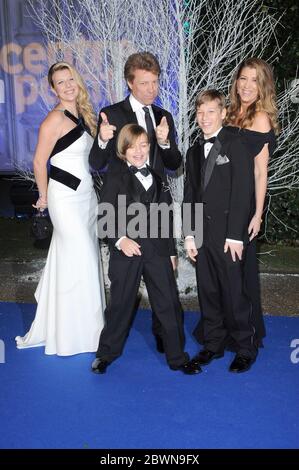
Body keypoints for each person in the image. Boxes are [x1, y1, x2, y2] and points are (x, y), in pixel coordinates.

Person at [89, 51, 183, 354]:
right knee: (123, 296)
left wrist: (165, 142)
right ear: (130, 83)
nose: (151, 89)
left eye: (155, 82)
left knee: (164, 290)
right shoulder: (112, 114)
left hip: (156, 210)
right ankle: (108, 352)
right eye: (144, 83)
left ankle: (166, 341)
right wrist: (102, 139)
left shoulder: (163, 115)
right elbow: (96, 162)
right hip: (124, 216)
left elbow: (174, 163)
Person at [91, 123, 200, 375]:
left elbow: (166, 218)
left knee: (169, 305)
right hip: (126, 253)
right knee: (119, 306)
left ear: (149, 147)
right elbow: (103, 217)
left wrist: (172, 252)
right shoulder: (114, 176)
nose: (138, 152)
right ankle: (105, 354)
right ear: (123, 151)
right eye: (132, 147)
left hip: (158, 252)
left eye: (143, 145)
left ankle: (178, 358)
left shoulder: (159, 179)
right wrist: (121, 240)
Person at [15, 62, 105, 355]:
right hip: (64, 199)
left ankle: (83, 329)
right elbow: (40, 162)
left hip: (87, 198)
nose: (67, 86)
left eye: (70, 80)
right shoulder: (53, 120)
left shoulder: (84, 114)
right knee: (83, 258)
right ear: (53, 89)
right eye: (60, 82)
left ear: (77, 81)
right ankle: (79, 335)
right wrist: (42, 196)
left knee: (78, 260)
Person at [184, 90, 256, 373]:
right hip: (202, 234)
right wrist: (190, 234)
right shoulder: (193, 152)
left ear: (223, 113)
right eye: (200, 113)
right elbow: (190, 194)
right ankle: (212, 344)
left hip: (229, 235)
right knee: (209, 292)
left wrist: (236, 235)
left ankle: (245, 348)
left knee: (234, 293)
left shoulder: (237, 145)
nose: (204, 118)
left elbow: (242, 193)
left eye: (211, 112)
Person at [224, 57, 278, 349]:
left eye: (254, 80)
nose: (246, 85)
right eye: (243, 78)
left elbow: (260, 172)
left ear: (263, 86)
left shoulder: (260, 118)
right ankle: (223, 325)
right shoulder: (230, 112)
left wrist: (257, 214)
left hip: (243, 204)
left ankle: (244, 331)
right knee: (223, 268)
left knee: (239, 270)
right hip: (221, 202)